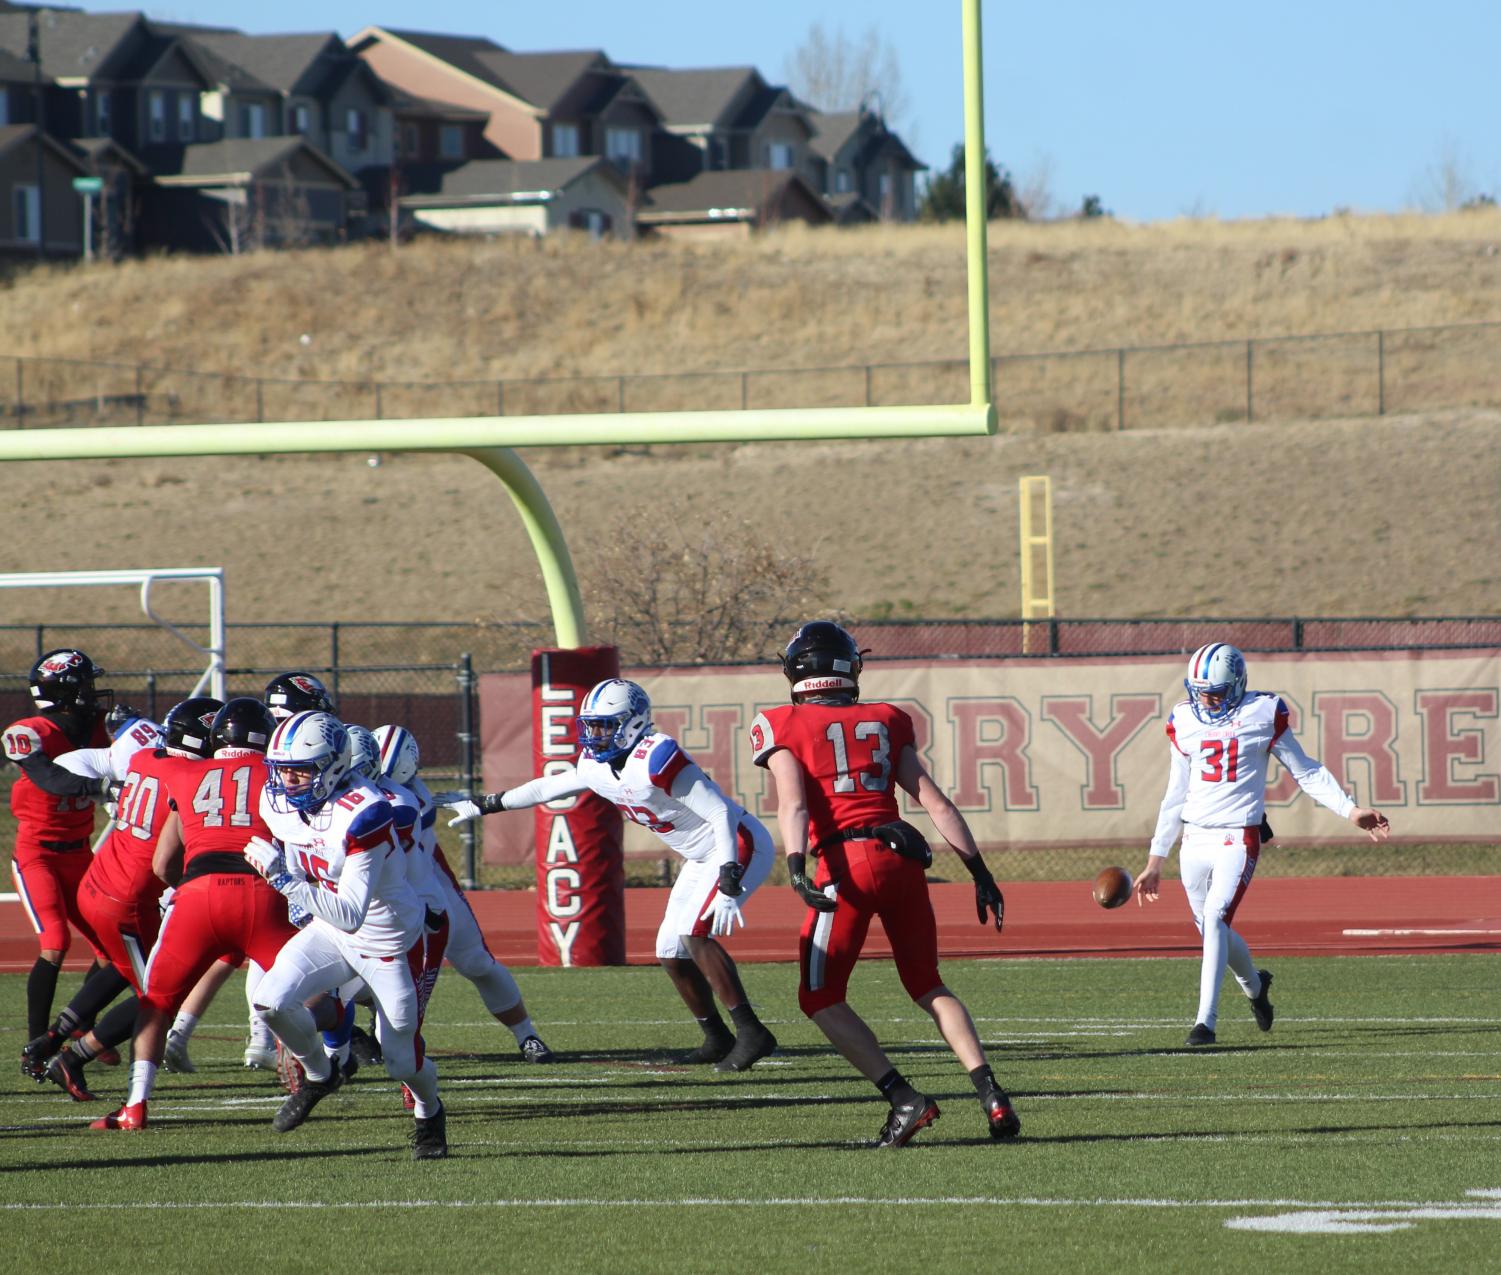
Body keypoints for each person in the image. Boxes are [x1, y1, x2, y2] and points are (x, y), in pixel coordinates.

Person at [749, 621, 1021, 1148]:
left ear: (796, 671)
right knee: (927, 984)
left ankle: (903, 1098)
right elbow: (936, 802)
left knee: (819, 995)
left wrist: (796, 865)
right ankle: (991, 1094)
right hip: (901, 859)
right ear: (849, 667)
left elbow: (794, 803)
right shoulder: (888, 718)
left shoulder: (779, 722)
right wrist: (979, 871)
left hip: (843, 865)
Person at [441, 679, 778, 1072]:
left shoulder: (656, 756)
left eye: (604, 725)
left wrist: (728, 874)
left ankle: (752, 1033)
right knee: (670, 951)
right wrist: (486, 804)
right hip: (698, 856)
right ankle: (717, 1037)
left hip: (736, 845)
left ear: (633, 723)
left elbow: (719, 812)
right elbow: (550, 786)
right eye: (591, 724)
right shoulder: (596, 764)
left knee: (694, 933)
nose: (594, 734)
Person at [1133, 643, 1392, 1045]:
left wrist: (1349, 809)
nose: (1206, 698)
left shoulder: (1262, 713)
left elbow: (1305, 770)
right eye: (1200, 690)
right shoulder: (1184, 718)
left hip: (1238, 835)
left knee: (1217, 920)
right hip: (1194, 838)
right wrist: (1155, 860)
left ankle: (1206, 1022)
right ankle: (1255, 986)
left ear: (1237, 685)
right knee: (1210, 929)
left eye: (1215, 691)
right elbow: (1175, 793)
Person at [247, 710, 448, 1160]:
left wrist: (286, 883)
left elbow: (351, 913)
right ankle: (321, 1075)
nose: (287, 783)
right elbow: (296, 846)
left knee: (401, 1060)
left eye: (300, 771)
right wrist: (294, 879)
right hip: (329, 930)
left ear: (334, 767)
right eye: (282, 771)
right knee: (269, 1001)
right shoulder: (278, 800)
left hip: (388, 940)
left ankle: (430, 1112)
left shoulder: (365, 813)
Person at [91, 697, 298, 1131]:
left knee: (155, 1002)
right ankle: (320, 1063)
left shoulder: (186, 775)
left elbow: (163, 863)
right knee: (318, 991)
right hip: (263, 894)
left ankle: (135, 1105)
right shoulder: (278, 775)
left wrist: (189, 890)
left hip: (198, 897)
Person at [45, 698, 217, 1101]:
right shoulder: (192, 775)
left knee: (128, 969)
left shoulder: (144, 758)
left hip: (99, 881)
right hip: (128, 899)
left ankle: (52, 1037)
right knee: (160, 996)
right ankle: (71, 1058)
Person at [374, 723, 554, 1065]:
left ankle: (526, 1034)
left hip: (428, 892)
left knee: (477, 963)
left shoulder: (409, 800)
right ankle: (343, 1045)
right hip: (387, 898)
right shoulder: (384, 792)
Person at [5, 649, 118, 1079]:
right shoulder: (29, 732)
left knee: (113, 949)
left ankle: (81, 1023)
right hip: (39, 854)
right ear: (66, 691)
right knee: (55, 942)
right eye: (86, 684)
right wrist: (104, 784)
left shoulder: (97, 727)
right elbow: (50, 778)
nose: (93, 693)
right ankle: (36, 1046)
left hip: (81, 852)